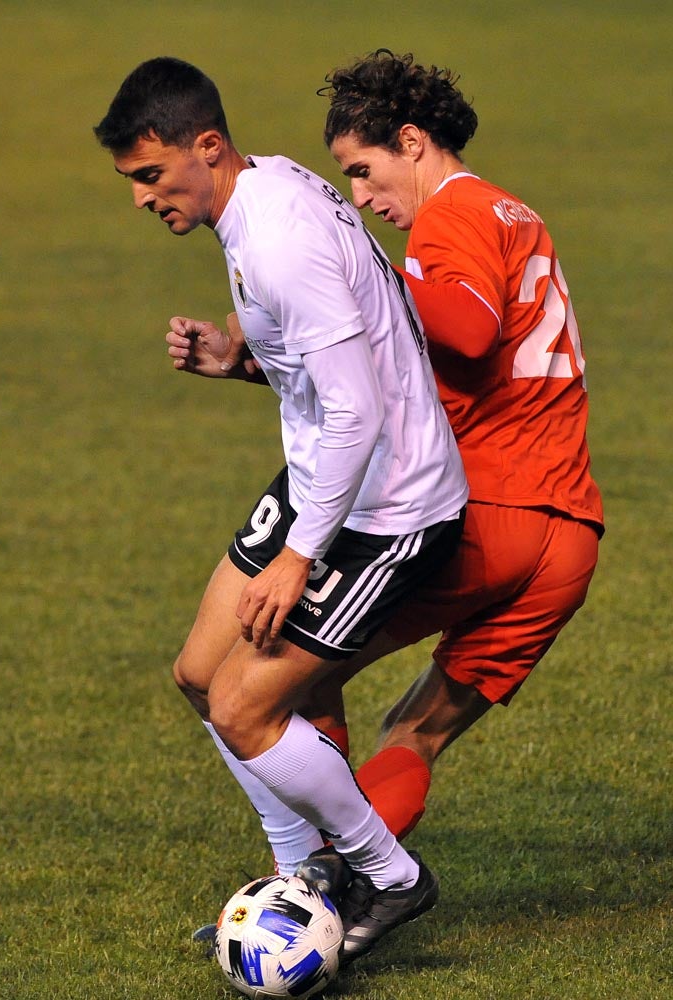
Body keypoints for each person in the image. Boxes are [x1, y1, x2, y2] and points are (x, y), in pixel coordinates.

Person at [169, 49, 604, 913]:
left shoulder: (452, 217)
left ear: (412, 141)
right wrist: (256, 363)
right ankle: (342, 889)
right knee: (414, 731)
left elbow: (468, 332)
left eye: (364, 172)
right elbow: (406, 368)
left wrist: (363, 268)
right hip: (567, 539)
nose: (363, 198)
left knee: (276, 681)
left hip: (487, 515)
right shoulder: (515, 214)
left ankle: (328, 888)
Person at [94, 56, 469, 962]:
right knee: (198, 673)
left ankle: (388, 876)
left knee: (242, 706)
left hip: (387, 503)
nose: (143, 199)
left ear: (207, 147)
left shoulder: (275, 241)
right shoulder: (259, 190)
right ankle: (301, 877)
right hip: (323, 479)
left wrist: (300, 554)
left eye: (151, 175)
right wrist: (238, 361)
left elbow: (359, 409)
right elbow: (334, 361)